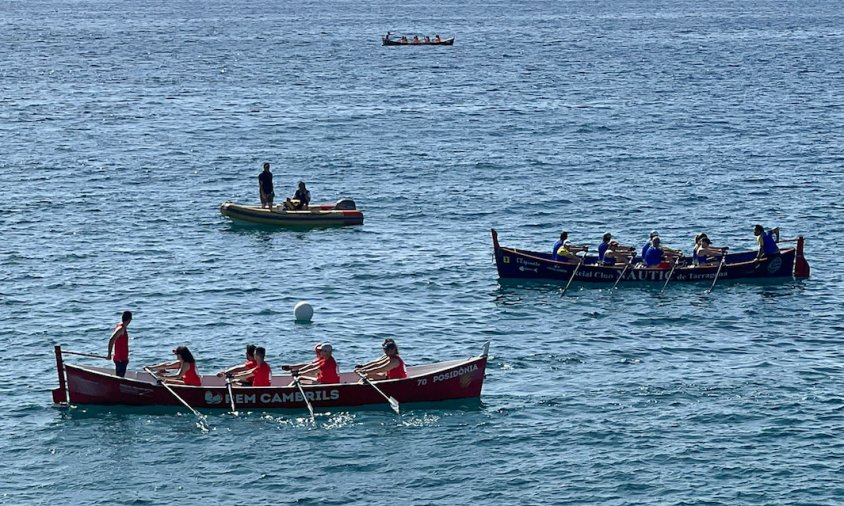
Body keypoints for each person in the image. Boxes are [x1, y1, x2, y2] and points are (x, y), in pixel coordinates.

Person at [107, 311, 132, 377]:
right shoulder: (121, 329)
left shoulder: (121, 326)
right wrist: (109, 354)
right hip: (121, 360)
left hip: (122, 359)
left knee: (119, 377)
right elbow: (111, 339)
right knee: (119, 378)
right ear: (129, 320)